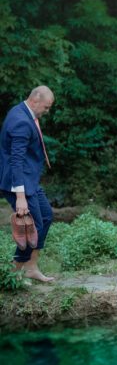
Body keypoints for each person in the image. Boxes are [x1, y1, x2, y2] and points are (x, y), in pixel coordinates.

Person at [0, 86, 56, 282]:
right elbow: (16, 161)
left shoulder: (21, 111)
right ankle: (13, 273)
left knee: (47, 216)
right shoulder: (22, 122)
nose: (47, 111)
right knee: (34, 226)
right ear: (34, 101)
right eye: (46, 107)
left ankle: (31, 268)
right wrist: (20, 198)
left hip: (29, 179)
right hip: (18, 183)